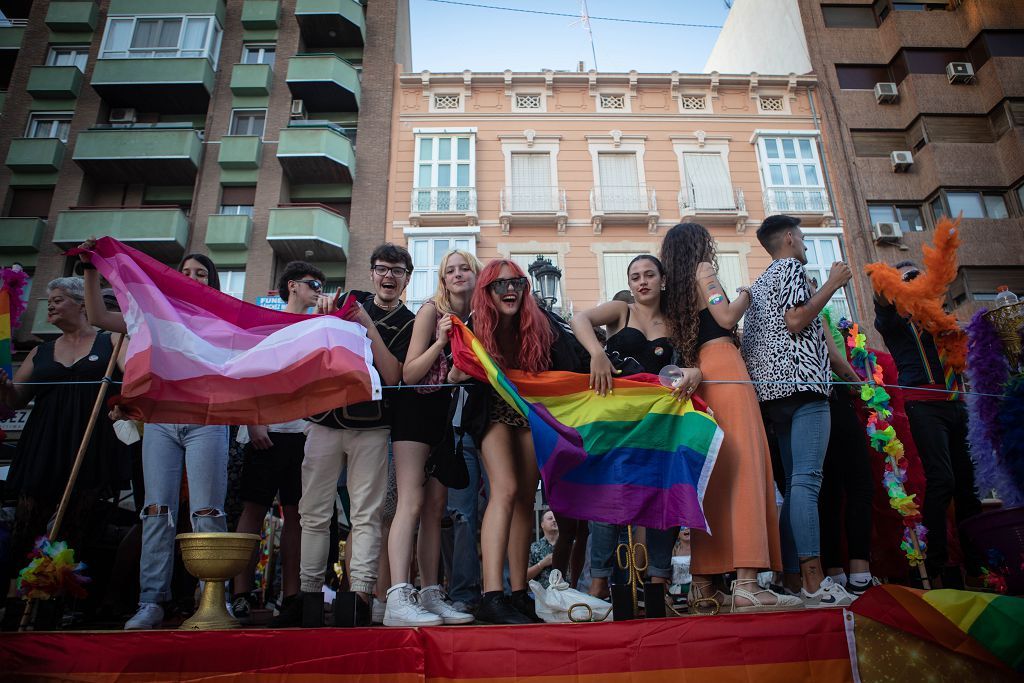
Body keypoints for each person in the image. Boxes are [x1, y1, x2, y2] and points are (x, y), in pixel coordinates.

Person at [77, 246, 233, 630]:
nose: (192, 277)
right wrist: (91, 270)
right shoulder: (151, 316)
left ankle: (212, 599)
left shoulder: (220, 316)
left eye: (201, 273)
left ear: (211, 282)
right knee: (155, 511)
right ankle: (151, 602)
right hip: (161, 422)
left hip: (207, 420)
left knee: (206, 511)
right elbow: (97, 316)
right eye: (186, 271)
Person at [287, 244, 416, 627]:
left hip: (373, 428)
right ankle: (308, 596)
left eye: (397, 270)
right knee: (313, 512)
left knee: (367, 516)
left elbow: (393, 376)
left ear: (407, 278)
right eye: (382, 269)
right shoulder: (347, 300)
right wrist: (322, 312)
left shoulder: (410, 322)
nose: (388, 277)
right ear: (372, 272)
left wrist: (367, 325)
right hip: (324, 422)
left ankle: (359, 597)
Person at [448, 259, 579, 624]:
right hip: (490, 413)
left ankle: (519, 593)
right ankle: (492, 595)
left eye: (517, 284)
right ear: (487, 291)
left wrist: (601, 359)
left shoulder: (542, 325)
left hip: (527, 415)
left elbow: (568, 361)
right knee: (504, 491)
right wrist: (461, 365)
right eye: (500, 284)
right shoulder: (475, 325)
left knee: (525, 498)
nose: (510, 290)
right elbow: (456, 373)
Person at [570, 254, 702, 601]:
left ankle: (658, 584)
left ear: (662, 279)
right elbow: (578, 318)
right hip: (615, 419)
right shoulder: (620, 311)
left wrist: (696, 373)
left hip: (660, 423)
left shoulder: (677, 322)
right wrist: (597, 352)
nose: (641, 282)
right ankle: (597, 587)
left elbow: (691, 365)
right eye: (634, 277)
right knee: (608, 498)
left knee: (664, 495)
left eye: (648, 275)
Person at [0, 277, 130, 628]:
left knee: (76, 526)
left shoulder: (112, 342)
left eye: (58, 299)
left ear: (81, 303)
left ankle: (56, 605)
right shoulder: (40, 351)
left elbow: (135, 382)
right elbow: (12, 402)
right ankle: (16, 604)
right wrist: (2, 389)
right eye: (49, 301)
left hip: (90, 445)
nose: (51, 306)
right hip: (44, 443)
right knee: (28, 523)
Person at [741, 215, 854, 608]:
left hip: (773, 394)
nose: (806, 246)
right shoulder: (790, 268)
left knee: (792, 487)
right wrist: (833, 283)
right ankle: (813, 582)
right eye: (804, 238)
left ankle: (792, 579)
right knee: (806, 483)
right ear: (789, 238)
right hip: (804, 387)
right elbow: (797, 318)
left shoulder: (760, 283)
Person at [382, 250, 479, 627]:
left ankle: (430, 594)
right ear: (442, 279)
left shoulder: (479, 318)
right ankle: (397, 596)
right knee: (410, 502)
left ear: (475, 274)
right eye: (449, 269)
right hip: (415, 413)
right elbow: (408, 373)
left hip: (446, 417)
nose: (457, 274)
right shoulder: (431, 311)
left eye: (464, 268)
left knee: (436, 511)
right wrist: (440, 342)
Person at [230, 261, 330, 623]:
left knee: (296, 516)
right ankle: (240, 593)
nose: (318, 287)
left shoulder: (318, 326)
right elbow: (247, 374)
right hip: (264, 434)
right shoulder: (263, 323)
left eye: (321, 283)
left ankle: (292, 596)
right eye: (312, 282)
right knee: (253, 509)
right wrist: (254, 422)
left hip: (303, 434)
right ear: (291, 286)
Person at [873, 260, 982, 587]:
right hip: (923, 406)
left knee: (969, 487)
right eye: (909, 279)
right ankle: (937, 563)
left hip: (956, 404)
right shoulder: (893, 320)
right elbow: (880, 298)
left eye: (921, 276)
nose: (918, 282)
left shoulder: (942, 319)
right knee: (942, 480)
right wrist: (892, 282)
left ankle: (977, 564)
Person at [819, 306, 878, 595]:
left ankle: (835, 573)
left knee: (829, 492)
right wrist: (864, 388)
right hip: (835, 399)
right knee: (859, 486)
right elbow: (833, 357)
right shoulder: (815, 308)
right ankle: (860, 573)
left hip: (817, 402)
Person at [527, 510, 558, 587]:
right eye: (550, 518)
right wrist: (542, 564)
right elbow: (525, 576)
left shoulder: (571, 545)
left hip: (569, 594)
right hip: (543, 595)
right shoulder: (534, 547)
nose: (554, 520)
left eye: (556, 518)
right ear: (542, 524)